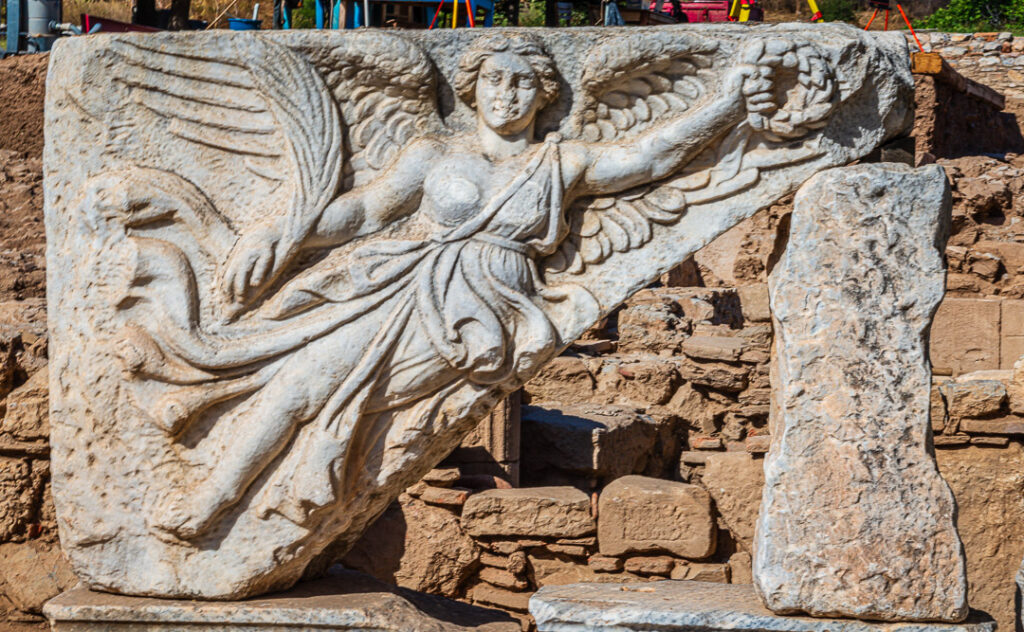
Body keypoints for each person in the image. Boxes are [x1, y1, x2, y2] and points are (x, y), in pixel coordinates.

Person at [146, 32, 769, 539]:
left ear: (544, 93)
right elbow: (365, 212)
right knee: (300, 382)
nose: (506, 94)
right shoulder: (434, 153)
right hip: (398, 280)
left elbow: (651, 158)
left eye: (521, 82)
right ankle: (213, 502)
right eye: (494, 79)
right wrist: (284, 232)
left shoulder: (561, 162)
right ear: (472, 88)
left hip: (484, 309)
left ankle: (248, 503)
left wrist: (731, 102)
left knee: (336, 394)